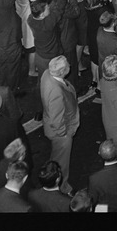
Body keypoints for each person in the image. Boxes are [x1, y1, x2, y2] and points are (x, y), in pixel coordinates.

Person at [40, 55, 79, 193]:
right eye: (68, 65)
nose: (70, 65)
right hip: (60, 133)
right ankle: (62, 187)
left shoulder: (47, 73)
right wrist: (65, 135)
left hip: (50, 123)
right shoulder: (56, 91)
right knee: (62, 162)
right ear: (62, 72)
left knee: (57, 156)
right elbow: (57, 121)